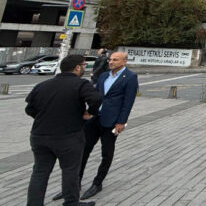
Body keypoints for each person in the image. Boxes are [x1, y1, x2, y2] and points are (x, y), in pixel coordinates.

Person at [26, 54, 101, 206]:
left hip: (39, 136)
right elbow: (96, 99)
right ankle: (71, 203)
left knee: (40, 172)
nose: (85, 68)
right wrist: (89, 113)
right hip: (68, 136)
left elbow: (29, 109)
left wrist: (46, 118)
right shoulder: (81, 84)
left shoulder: (42, 85)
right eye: (84, 65)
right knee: (70, 170)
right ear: (77, 67)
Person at [78, 51, 139, 200]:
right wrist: (89, 112)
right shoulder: (104, 75)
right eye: (110, 59)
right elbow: (96, 95)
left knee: (106, 153)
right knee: (83, 151)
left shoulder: (130, 77)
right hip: (94, 119)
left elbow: (128, 101)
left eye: (115, 60)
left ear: (124, 62)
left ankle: (97, 183)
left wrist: (121, 122)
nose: (111, 62)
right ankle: (75, 182)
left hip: (111, 121)